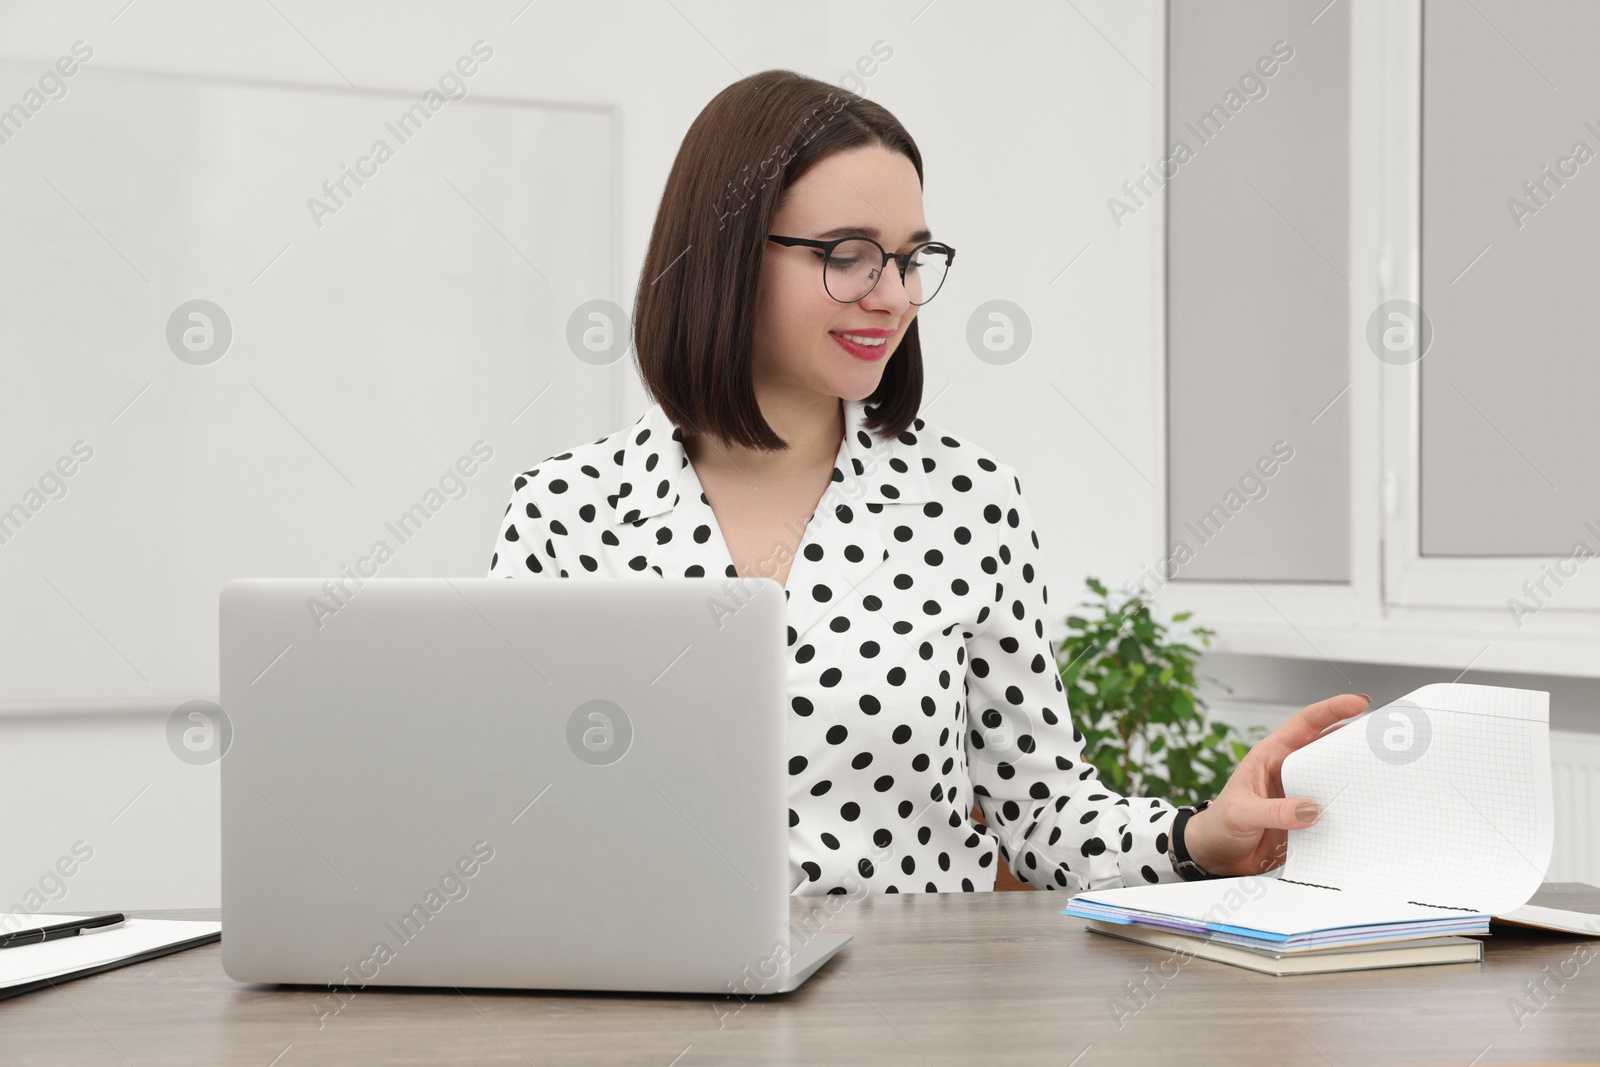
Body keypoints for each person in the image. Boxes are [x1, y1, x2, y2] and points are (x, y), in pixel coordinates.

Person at [487, 69, 1370, 896]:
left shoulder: (969, 500)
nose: (893, 295)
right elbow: (504, 811)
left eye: (910, 258)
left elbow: (1044, 815)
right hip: (647, 1009)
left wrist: (1200, 836)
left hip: (911, 1008)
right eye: (848, 254)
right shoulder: (567, 512)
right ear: (724, 254)